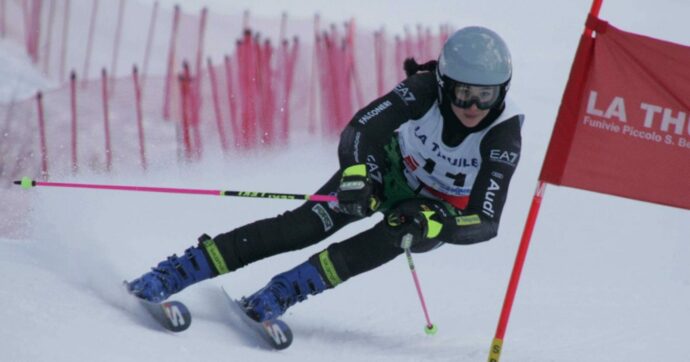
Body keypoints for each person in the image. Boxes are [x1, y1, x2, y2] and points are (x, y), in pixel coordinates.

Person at [128, 26, 523, 323]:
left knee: (388, 235)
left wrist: (437, 226)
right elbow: (362, 129)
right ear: (444, 84)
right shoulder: (421, 91)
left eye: (485, 95)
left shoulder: (503, 134)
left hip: (433, 209)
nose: (473, 106)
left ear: (501, 93)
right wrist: (359, 175)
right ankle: (182, 269)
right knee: (303, 226)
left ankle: (282, 292)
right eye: (463, 92)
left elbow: (486, 221)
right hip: (388, 167)